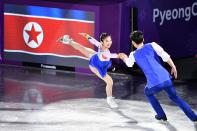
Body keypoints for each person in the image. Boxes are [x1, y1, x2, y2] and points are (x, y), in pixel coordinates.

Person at [119, 30, 197, 121]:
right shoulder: (152, 45)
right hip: (166, 78)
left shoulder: (133, 55)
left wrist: (124, 58)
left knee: (147, 92)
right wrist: (173, 66)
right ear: (143, 39)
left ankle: (161, 115)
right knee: (175, 97)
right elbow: (165, 56)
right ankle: (193, 116)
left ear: (133, 43)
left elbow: (129, 64)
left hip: (154, 83)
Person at [57, 33, 119, 108]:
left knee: (82, 48)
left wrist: (87, 36)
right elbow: (109, 55)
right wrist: (119, 55)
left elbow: (94, 41)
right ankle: (109, 100)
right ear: (102, 42)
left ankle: (67, 40)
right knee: (110, 81)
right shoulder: (104, 52)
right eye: (107, 41)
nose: (109, 42)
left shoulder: (100, 45)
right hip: (95, 66)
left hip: (95, 58)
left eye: (110, 40)